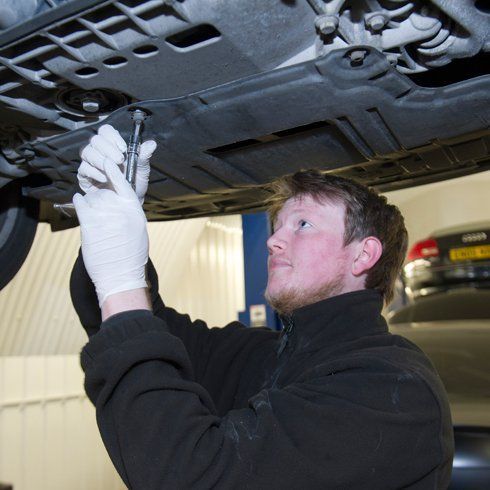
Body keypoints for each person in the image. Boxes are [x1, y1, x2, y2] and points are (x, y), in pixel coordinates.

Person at [70, 125, 454, 489]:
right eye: (278, 226)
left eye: (302, 225)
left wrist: (122, 283)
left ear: (363, 254)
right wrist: (115, 221)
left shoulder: (392, 390)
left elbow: (193, 476)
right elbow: (142, 329)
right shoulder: (268, 356)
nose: (274, 241)